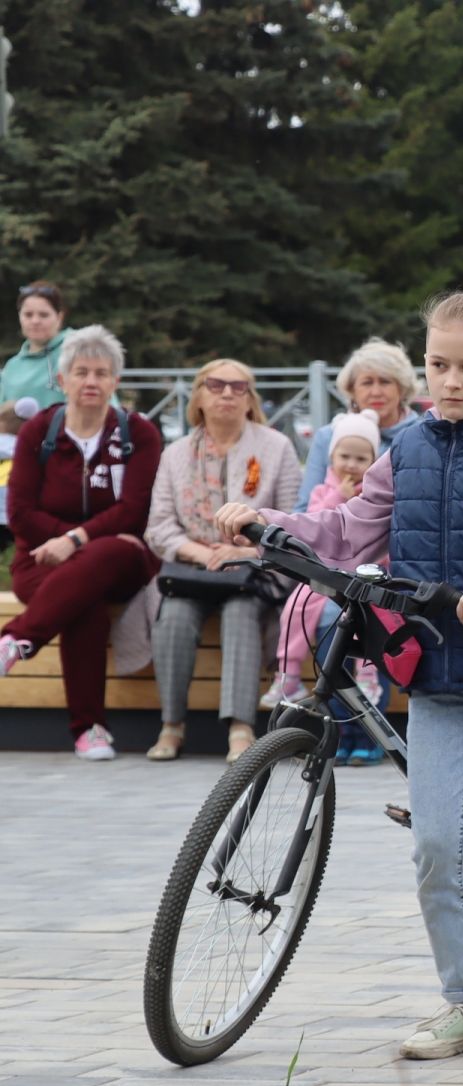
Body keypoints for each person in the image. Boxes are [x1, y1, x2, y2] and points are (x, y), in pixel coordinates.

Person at [215, 290, 463, 1064]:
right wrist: (267, 523)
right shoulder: (407, 453)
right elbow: (348, 530)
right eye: (438, 364)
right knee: (433, 844)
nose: (451, 381)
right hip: (434, 677)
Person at [0, 326, 162, 759]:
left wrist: (75, 539)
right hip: (40, 561)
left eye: (101, 373)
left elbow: (135, 512)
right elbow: (19, 513)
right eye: (81, 372)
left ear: (116, 382)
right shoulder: (40, 431)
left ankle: (16, 640)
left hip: (122, 560)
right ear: (63, 379)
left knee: (109, 550)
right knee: (82, 603)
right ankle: (89, 730)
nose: (91, 381)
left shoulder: (138, 434)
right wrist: (64, 542)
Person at [145, 360, 302, 763]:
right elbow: (158, 527)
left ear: (251, 399)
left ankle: (241, 727)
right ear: (198, 395)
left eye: (239, 387)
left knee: (241, 612)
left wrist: (247, 552)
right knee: (174, 617)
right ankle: (172, 724)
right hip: (191, 569)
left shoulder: (276, 446)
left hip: (254, 569)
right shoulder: (175, 453)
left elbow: (293, 520)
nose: (227, 393)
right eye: (216, 385)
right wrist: (205, 554)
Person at [261, 411, 384, 713]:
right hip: (326, 570)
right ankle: (288, 675)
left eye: (361, 458)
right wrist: (336, 496)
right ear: (331, 457)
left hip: (362, 574)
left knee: (359, 614)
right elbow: (315, 520)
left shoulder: (375, 495)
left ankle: (367, 675)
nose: (351, 465)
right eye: (345, 456)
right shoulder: (321, 490)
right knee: (295, 608)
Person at [295, 338, 424, 511]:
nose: (376, 392)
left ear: (402, 388)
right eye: (367, 382)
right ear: (352, 390)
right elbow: (304, 509)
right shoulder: (329, 436)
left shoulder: (422, 435)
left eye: (385, 381)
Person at [1, 282, 70, 435]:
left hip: (66, 450)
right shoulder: (12, 367)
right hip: (19, 452)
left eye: (43, 315)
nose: (35, 321)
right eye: (28, 314)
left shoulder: (77, 352)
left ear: (59, 317)